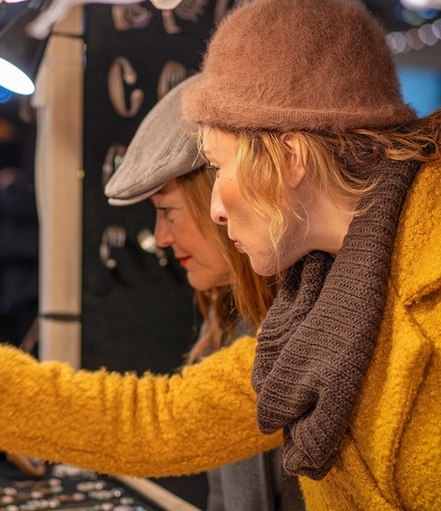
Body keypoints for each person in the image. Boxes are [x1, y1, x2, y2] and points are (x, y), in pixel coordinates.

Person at [0, 0, 441, 509]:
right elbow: (161, 420)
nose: (212, 204)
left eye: (219, 165)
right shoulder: (318, 306)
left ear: (290, 156)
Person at [104, 75, 301, 511]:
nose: (160, 237)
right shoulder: (227, 322)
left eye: (167, 212)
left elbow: (158, 426)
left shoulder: (310, 330)